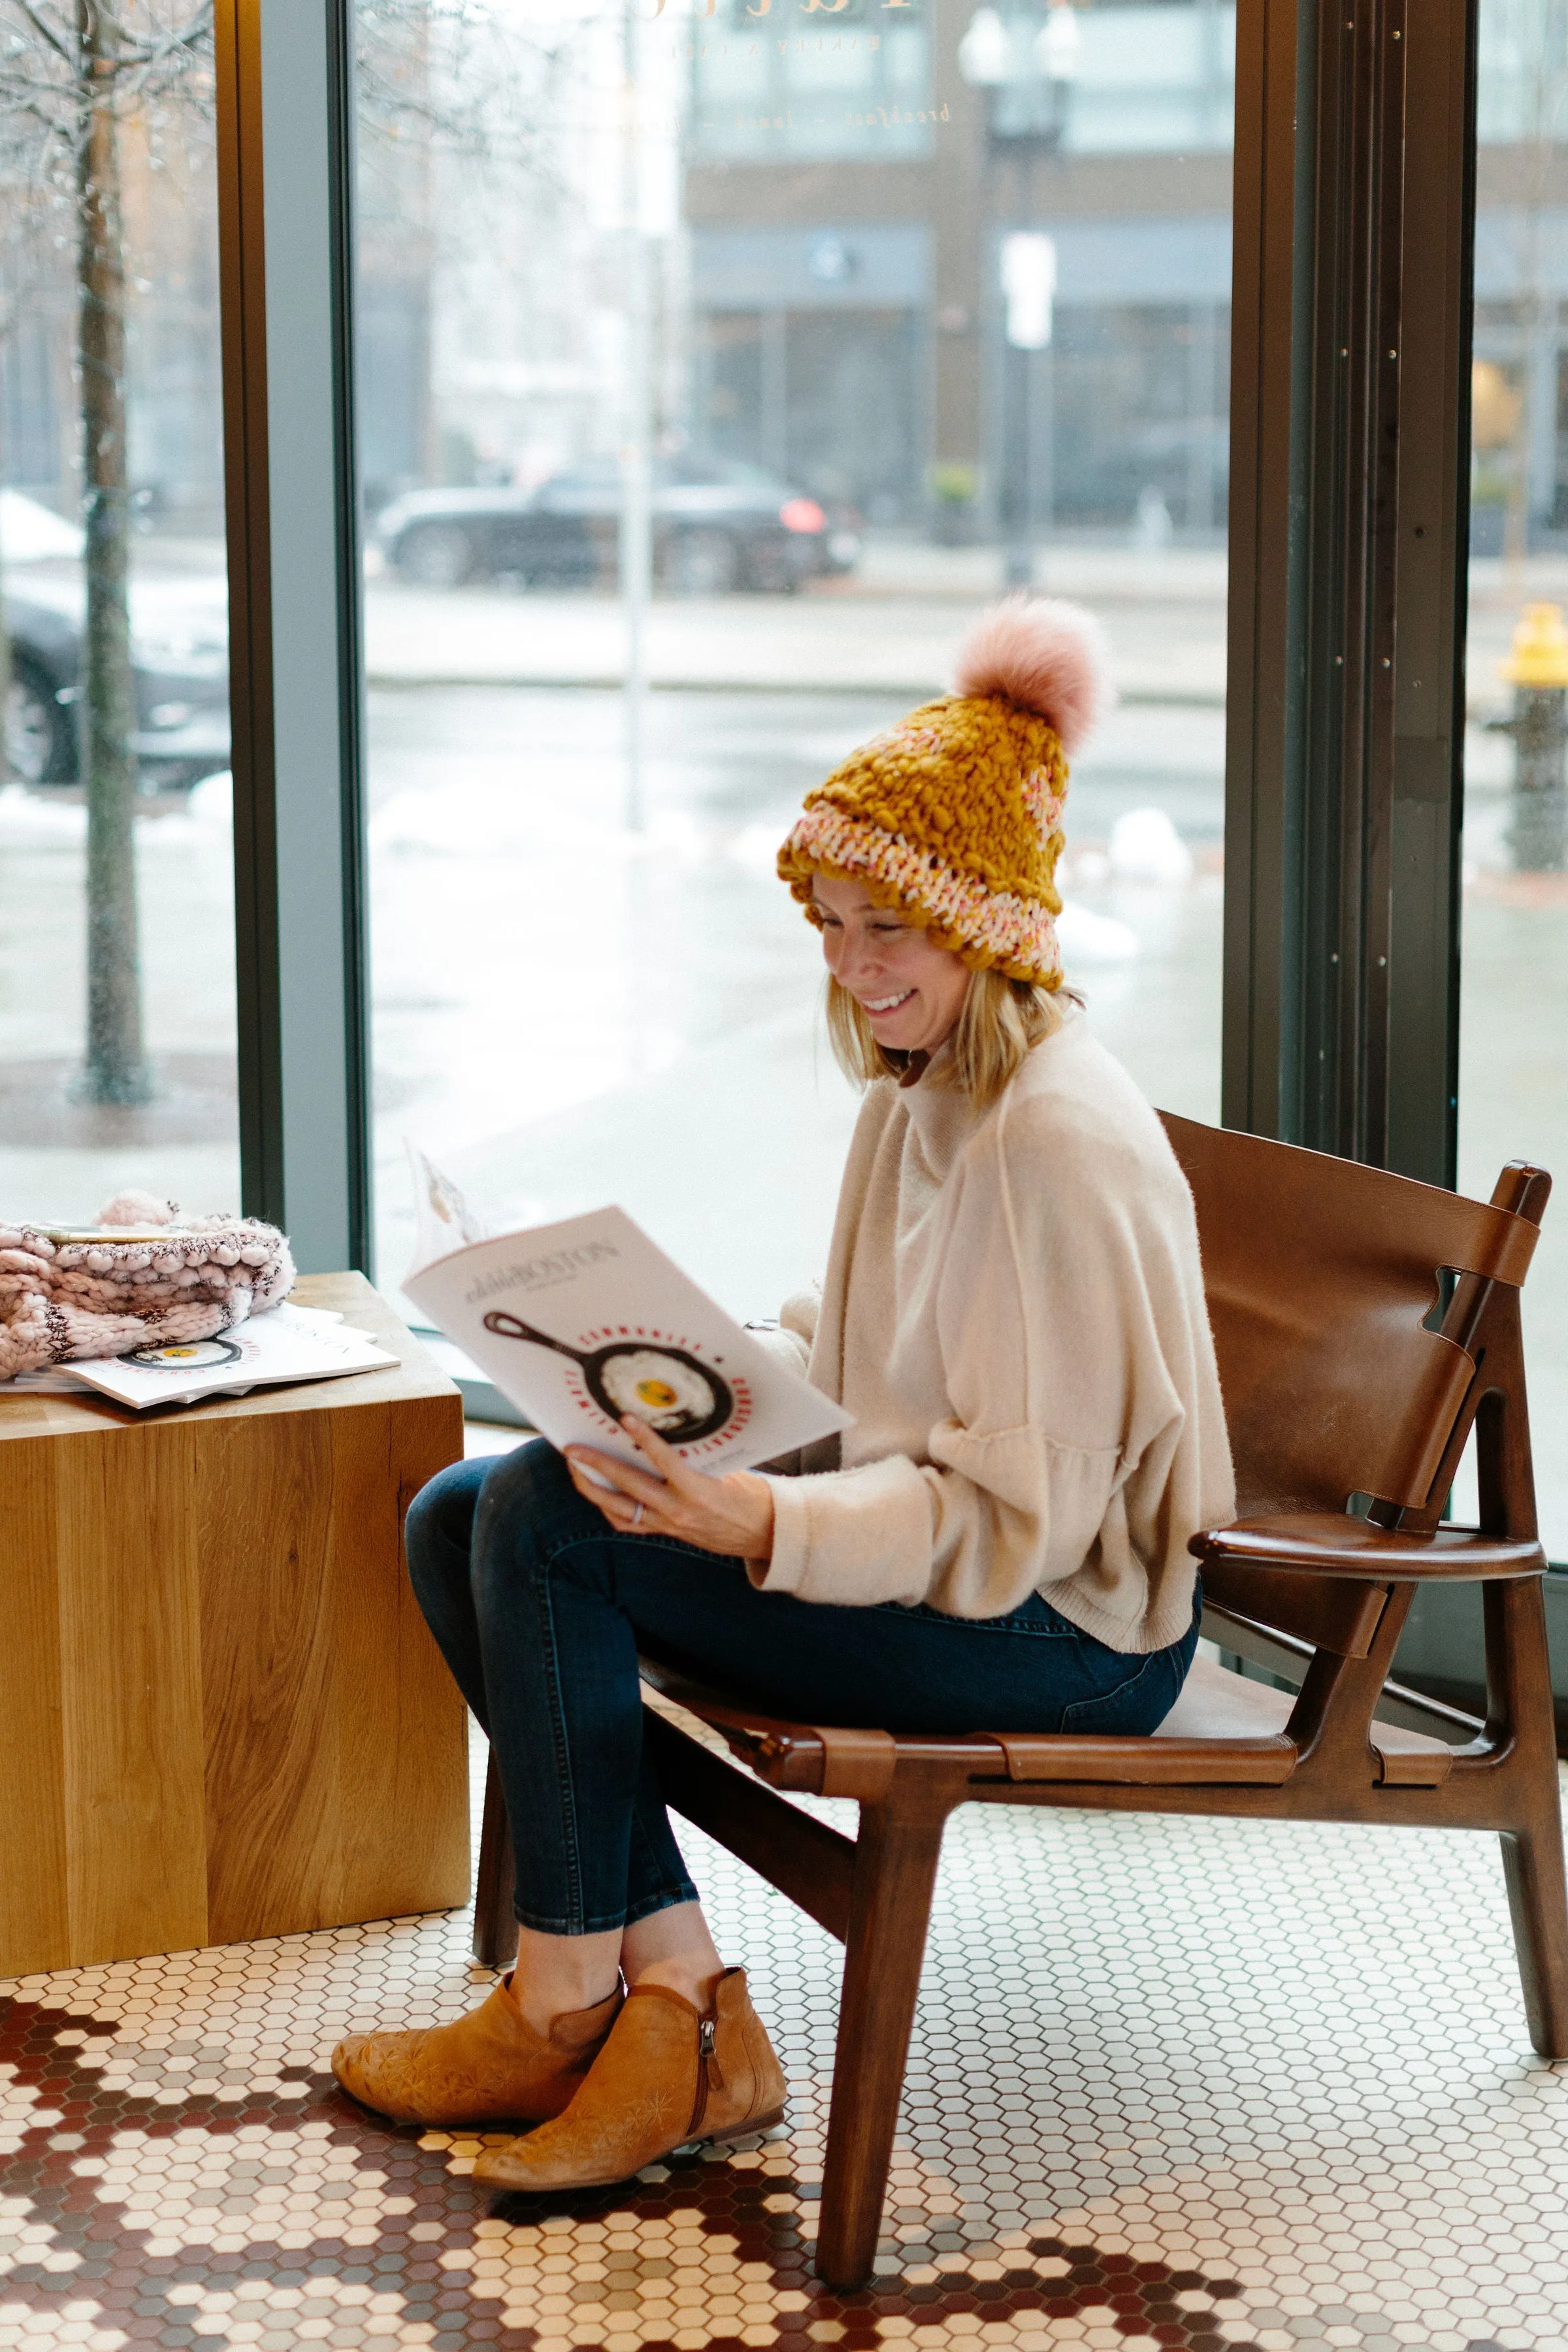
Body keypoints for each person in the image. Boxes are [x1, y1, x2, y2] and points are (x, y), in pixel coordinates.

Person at [331, 593, 1235, 2195]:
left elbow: (1015, 1524)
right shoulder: (931, 1086)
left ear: (988, 921)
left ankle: (567, 2001)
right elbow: (866, 1343)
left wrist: (755, 1516)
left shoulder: (1054, 1142)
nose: (851, 966)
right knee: (458, 1507)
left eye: (884, 927)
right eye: (826, 925)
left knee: (541, 1526)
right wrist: (673, 1372)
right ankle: (678, 2002)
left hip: (1077, 1638)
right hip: (978, 1569)